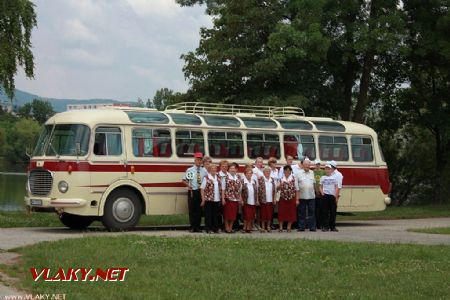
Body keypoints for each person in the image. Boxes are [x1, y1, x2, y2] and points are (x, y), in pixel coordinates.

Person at [182, 152, 207, 232]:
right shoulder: (191, 170)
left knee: (199, 210)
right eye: (197, 160)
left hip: (201, 192)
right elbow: (185, 180)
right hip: (193, 191)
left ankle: (198, 227)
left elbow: (206, 180)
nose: (199, 162)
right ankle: (192, 227)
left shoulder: (204, 170)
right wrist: (188, 186)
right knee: (192, 209)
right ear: (194, 160)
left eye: (200, 160)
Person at [222, 162, 243, 233]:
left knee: (233, 215)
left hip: (236, 198)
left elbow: (240, 189)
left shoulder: (238, 177)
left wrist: (240, 198)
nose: (233, 170)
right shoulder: (225, 177)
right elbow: (223, 189)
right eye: (231, 168)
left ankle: (230, 228)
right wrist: (223, 198)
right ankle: (226, 227)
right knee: (227, 214)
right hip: (228, 198)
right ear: (228, 169)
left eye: (234, 169)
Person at [278, 165, 299, 232]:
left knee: (291, 212)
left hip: (291, 198)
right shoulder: (281, 178)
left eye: (288, 170)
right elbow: (277, 189)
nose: (287, 171)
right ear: (283, 171)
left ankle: (288, 227)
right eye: (286, 170)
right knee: (281, 212)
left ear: (290, 171)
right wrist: (279, 186)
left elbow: (297, 189)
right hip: (283, 198)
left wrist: (297, 199)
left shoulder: (294, 178)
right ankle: (280, 227)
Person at [200, 164, 221, 233]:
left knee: (215, 215)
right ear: (209, 170)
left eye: (215, 169)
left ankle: (215, 228)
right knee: (208, 215)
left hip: (216, 199)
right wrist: (203, 199)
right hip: (208, 199)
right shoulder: (206, 178)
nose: (214, 170)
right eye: (212, 169)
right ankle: (208, 229)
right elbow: (202, 189)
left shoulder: (218, 178)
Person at [297, 158, 316, 231]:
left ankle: (312, 227)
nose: (307, 166)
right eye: (306, 165)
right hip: (302, 196)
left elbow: (313, 183)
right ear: (303, 165)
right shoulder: (298, 173)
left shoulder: (312, 172)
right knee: (301, 213)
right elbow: (296, 186)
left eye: (308, 165)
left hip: (311, 196)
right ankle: (301, 227)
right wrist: (297, 198)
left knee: (312, 212)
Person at [320, 163, 339, 232]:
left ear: (331, 170)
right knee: (325, 212)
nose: (327, 170)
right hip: (325, 196)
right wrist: (322, 193)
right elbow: (320, 186)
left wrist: (335, 195)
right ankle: (325, 227)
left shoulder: (334, 177)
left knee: (333, 212)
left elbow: (336, 186)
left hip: (332, 196)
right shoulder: (323, 178)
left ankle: (332, 227)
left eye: (329, 169)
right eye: (326, 169)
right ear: (325, 170)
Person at [258, 167, 276, 232]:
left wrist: (274, 199)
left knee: (269, 214)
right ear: (263, 172)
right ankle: (263, 227)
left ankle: (268, 226)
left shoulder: (272, 179)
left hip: (270, 200)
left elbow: (274, 190)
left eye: (269, 171)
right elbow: (258, 190)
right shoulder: (261, 179)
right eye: (266, 171)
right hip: (263, 200)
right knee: (263, 214)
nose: (268, 173)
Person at [241, 167, 258, 233]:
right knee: (246, 215)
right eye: (247, 173)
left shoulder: (254, 181)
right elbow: (240, 192)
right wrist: (241, 200)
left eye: (250, 173)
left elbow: (256, 191)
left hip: (253, 201)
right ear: (245, 174)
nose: (249, 174)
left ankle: (249, 228)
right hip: (246, 201)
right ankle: (244, 227)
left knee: (251, 215)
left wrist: (257, 200)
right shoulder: (242, 181)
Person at [313, 159, 326, 229]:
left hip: (321, 192)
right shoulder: (312, 172)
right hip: (314, 192)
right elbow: (313, 183)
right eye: (316, 164)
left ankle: (320, 224)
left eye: (318, 164)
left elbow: (324, 182)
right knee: (315, 210)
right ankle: (315, 224)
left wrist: (322, 191)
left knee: (321, 209)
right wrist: (316, 190)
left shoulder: (323, 172)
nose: (317, 165)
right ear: (314, 165)